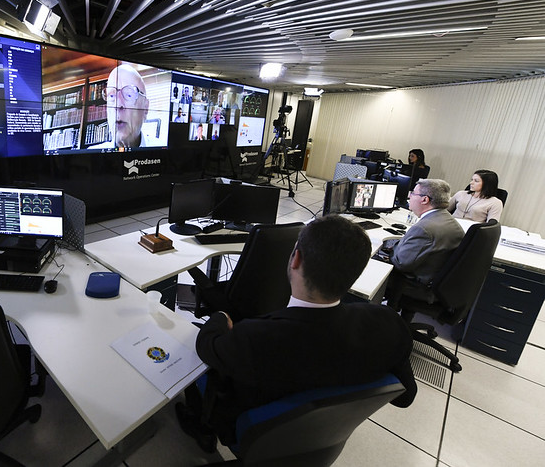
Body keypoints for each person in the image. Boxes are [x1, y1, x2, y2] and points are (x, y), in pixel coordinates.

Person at [176, 216, 417, 451]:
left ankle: (201, 426)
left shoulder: (256, 336)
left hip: (252, 432)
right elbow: (405, 397)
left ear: (296, 259)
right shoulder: (389, 324)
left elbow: (206, 345)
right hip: (323, 435)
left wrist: (220, 317)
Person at [382, 178, 465, 307]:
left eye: (413, 193)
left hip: (416, 284)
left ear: (425, 199)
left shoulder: (424, 228)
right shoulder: (448, 220)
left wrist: (392, 249)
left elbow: (401, 263)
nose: (409, 196)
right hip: (438, 283)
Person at [90, 63, 154, 149]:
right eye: (111, 96)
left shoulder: (163, 150)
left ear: (145, 108)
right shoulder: (93, 155)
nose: (118, 105)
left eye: (129, 95)